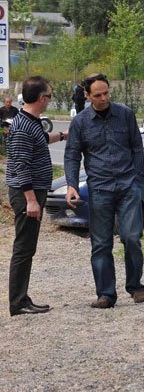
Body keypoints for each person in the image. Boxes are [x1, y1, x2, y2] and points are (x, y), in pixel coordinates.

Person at [64, 73, 144, 309]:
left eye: (106, 93)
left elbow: (137, 149)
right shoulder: (80, 122)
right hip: (100, 188)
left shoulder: (125, 114)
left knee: (131, 238)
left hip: (128, 185)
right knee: (101, 243)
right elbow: (71, 155)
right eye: (98, 95)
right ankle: (106, 294)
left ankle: (136, 286)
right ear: (87, 96)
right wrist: (71, 184)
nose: (104, 98)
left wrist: (138, 182)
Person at [6, 76, 69, 316]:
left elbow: (41, 141)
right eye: (50, 96)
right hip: (26, 195)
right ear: (42, 98)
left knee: (27, 247)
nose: (50, 100)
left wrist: (63, 136)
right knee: (24, 248)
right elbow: (20, 166)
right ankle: (18, 302)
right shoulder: (23, 126)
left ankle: (21, 298)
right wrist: (31, 200)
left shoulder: (30, 121)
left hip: (33, 192)